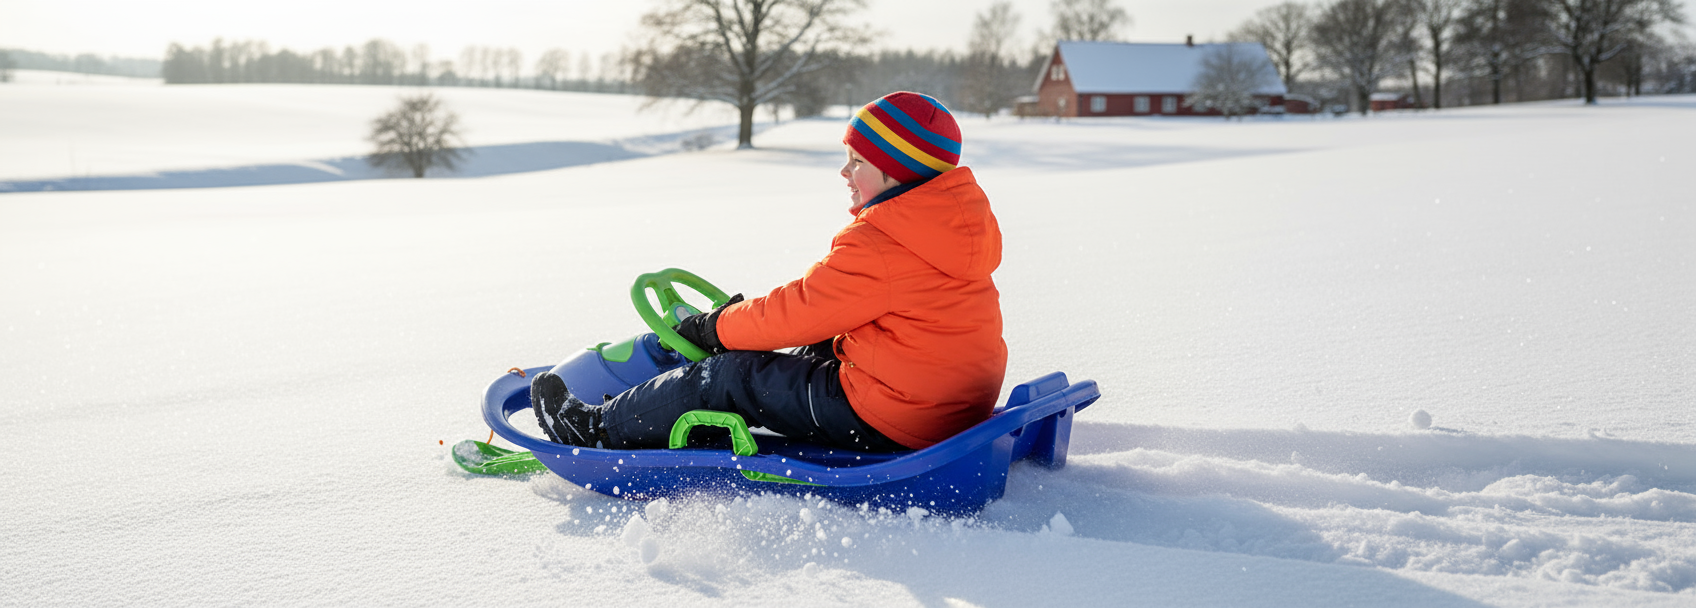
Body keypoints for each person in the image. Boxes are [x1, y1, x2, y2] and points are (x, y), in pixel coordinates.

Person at [532, 91, 1005, 453]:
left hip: (897, 418)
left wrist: (713, 326)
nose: (845, 172)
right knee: (817, 344)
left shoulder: (883, 241)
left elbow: (796, 311)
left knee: (728, 375)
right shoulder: (945, 226)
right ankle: (699, 403)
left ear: (898, 171)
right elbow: (824, 309)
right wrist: (746, 323)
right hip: (947, 406)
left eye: (858, 162)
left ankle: (595, 429)